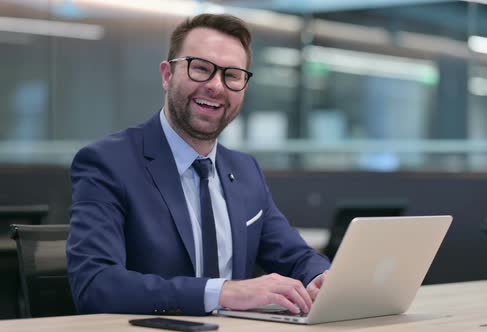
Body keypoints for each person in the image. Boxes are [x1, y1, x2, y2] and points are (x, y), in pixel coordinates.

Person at [66, 13, 330, 317]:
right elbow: (95, 286)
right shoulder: (108, 163)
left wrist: (321, 278)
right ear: (167, 75)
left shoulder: (245, 171)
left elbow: (296, 256)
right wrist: (223, 292)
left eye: (232, 75)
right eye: (201, 68)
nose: (216, 86)